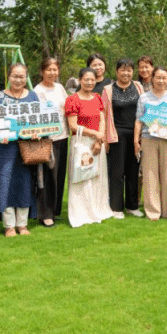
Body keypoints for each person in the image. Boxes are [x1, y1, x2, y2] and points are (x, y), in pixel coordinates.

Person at [0, 63, 40, 236]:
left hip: (26, 149)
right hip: (5, 149)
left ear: (26, 77)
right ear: (9, 77)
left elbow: (39, 120)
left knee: (24, 184)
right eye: (15, 76)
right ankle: (9, 225)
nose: (18, 80)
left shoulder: (32, 97)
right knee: (4, 184)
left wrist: (37, 132)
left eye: (22, 76)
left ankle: (22, 224)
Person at [65, 68, 113, 226]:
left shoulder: (97, 98)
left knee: (96, 177)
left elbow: (102, 120)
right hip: (81, 143)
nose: (89, 83)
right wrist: (94, 134)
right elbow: (73, 125)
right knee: (81, 177)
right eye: (86, 79)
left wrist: (99, 140)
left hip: (96, 144)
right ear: (79, 80)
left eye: (92, 80)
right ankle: (81, 213)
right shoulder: (72, 100)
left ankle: (97, 209)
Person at [135, 66, 167, 221]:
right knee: (150, 175)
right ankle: (153, 211)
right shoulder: (144, 98)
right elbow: (139, 120)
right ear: (152, 79)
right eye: (158, 77)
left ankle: (165, 210)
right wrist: (136, 140)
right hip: (149, 139)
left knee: (166, 175)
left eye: (164, 78)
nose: (161, 81)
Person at [103, 58, 145, 217]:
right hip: (116, 135)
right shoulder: (108, 89)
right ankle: (116, 207)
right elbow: (104, 114)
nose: (126, 73)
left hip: (135, 135)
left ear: (132, 72)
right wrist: (106, 138)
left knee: (133, 171)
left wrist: (139, 136)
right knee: (117, 173)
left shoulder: (138, 87)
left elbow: (143, 110)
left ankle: (132, 206)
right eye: (122, 70)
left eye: (129, 70)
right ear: (116, 71)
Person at [33, 56, 70, 227]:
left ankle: (55, 210)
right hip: (47, 138)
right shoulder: (37, 90)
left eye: (55, 69)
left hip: (62, 136)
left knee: (59, 175)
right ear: (42, 71)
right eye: (49, 69)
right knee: (48, 176)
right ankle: (45, 213)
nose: (52, 72)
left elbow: (66, 109)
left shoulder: (60, 87)